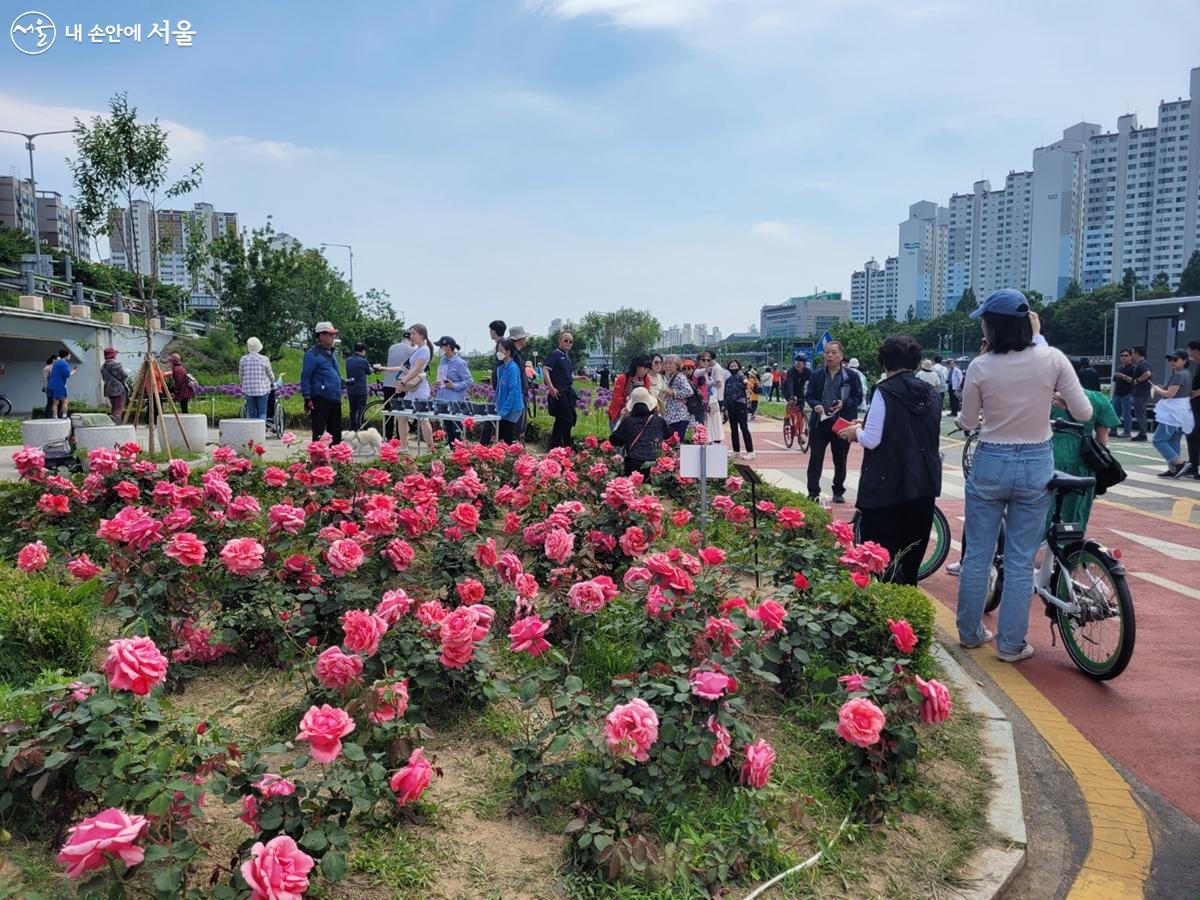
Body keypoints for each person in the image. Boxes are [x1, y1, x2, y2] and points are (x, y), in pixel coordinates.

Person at [955, 289, 1091, 664]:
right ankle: (1011, 645)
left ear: (993, 326)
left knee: (978, 555)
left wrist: (967, 419)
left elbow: (967, 421)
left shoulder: (981, 366)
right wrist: (1053, 398)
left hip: (991, 460)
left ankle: (969, 633)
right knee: (1019, 559)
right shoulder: (1053, 359)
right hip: (1036, 463)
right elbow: (1082, 413)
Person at [837, 335, 940, 585]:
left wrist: (855, 432)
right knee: (910, 562)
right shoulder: (932, 392)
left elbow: (872, 439)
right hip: (924, 484)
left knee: (883, 563)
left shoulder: (885, 391)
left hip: (887, 487)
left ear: (884, 362)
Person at [1046, 360, 1120, 532]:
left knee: (1042, 511)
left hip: (1048, 457)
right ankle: (1071, 552)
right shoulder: (1097, 399)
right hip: (1084, 459)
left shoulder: (1046, 399)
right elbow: (1102, 437)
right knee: (1076, 511)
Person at [804, 341, 862, 503]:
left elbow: (858, 397)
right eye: (826, 352)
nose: (829, 355)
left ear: (841, 356)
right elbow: (809, 396)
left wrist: (845, 404)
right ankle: (813, 491)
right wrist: (816, 405)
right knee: (816, 458)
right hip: (820, 423)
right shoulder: (816, 375)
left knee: (840, 459)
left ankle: (838, 490)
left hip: (842, 424)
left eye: (833, 352)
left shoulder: (851, 376)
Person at [1151, 350, 1195, 478]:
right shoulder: (1187, 374)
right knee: (1173, 441)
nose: (1172, 362)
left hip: (1172, 413)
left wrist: (1158, 390)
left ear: (1184, 360)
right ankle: (1174, 469)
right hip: (1182, 411)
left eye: (1175, 359)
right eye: (1170, 359)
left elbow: (1170, 394)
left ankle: (1180, 464)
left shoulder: (1179, 375)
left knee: (1158, 440)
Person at [301, 321, 346, 444]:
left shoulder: (332, 352)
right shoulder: (312, 354)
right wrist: (307, 397)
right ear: (321, 336)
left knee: (336, 433)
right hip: (320, 398)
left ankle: (335, 460)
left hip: (335, 398)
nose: (333, 337)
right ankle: (318, 459)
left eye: (334, 335)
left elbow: (335, 373)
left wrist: (343, 382)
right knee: (319, 433)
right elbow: (305, 377)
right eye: (330, 335)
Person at [611, 386, 666, 477]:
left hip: (632, 466)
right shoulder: (659, 421)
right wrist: (657, 414)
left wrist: (621, 419)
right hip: (654, 467)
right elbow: (668, 434)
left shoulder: (628, 422)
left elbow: (614, 440)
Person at [396, 324, 434, 449]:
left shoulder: (424, 350)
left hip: (420, 389)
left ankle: (430, 448)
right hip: (412, 389)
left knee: (423, 419)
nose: (411, 336)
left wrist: (402, 382)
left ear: (422, 335)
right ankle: (403, 446)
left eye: (414, 334)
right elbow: (406, 369)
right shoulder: (418, 350)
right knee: (401, 415)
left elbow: (416, 370)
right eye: (411, 333)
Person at [434, 336, 473, 442]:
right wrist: (439, 383)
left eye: (441, 346)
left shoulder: (460, 363)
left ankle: (459, 454)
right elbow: (442, 377)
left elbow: (469, 381)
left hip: (456, 403)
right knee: (448, 433)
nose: (439, 349)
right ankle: (452, 453)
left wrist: (454, 386)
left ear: (448, 347)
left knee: (456, 433)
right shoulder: (443, 360)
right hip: (444, 401)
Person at [544, 331, 577, 449]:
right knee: (567, 420)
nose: (568, 343)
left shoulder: (567, 357)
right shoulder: (556, 354)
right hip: (560, 392)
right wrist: (551, 387)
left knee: (561, 420)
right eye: (566, 340)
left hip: (567, 391)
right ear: (560, 341)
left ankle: (555, 445)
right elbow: (546, 369)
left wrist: (579, 377)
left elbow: (567, 375)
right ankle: (566, 445)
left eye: (570, 341)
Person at [479, 321, 505, 445]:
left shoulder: (501, 345)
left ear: (494, 331)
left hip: (500, 390)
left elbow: (502, 365)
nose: (489, 333)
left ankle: (483, 445)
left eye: (490, 330)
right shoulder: (499, 344)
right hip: (498, 387)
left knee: (490, 416)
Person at [494, 338, 525, 443]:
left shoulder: (512, 368)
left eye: (501, 350)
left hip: (511, 409)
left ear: (508, 352)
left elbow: (514, 392)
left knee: (507, 438)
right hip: (502, 408)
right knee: (501, 438)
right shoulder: (502, 368)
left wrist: (504, 411)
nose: (498, 353)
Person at [723, 358, 754, 459]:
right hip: (730, 405)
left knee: (744, 427)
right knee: (733, 428)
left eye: (735, 366)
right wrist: (725, 406)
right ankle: (736, 451)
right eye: (731, 366)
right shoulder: (727, 377)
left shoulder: (740, 375)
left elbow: (745, 380)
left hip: (740, 404)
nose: (733, 368)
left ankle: (750, 451)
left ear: (739, 367)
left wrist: (745, 382)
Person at [608, 355, 652, 425]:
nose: (645, 372)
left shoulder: (646, 379)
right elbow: (616, 398)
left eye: (647, 370)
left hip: (637, 415)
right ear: (637, 366)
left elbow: (647, 395)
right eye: (644, 369)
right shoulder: (623, 378)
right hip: (619, 413)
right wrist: (627, 400)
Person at [239, 337, 276, 421]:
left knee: (251, 413)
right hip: (262, 389)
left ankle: (252, 432)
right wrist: (273, 382)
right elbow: (270, 374)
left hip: (248, 389)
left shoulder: (243, 359)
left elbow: (241, 374)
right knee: (262, 412)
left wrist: (241, 383)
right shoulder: (264, 359)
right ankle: (261, 431)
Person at [660, 355, 695, 442]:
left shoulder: (679, 376)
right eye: (666, 363)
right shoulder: (670, 377)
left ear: (677, 365)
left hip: (679, 416)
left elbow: (689, 391)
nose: (667, 366)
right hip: (672, 416)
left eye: (670, 363)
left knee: (676, 442)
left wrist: (673, 393)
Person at [508, 326, 532, 437]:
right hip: (517, 396)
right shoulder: (514, 356)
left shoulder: (516, 354)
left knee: (518, 428)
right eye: (524, 338)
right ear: (520, 340)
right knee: (518, 428)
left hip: (519, 395)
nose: (525, 340)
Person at [697, 351, 725, 444]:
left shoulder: (713, 370)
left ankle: (711, 441)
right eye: (703, 360)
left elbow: (717, 384)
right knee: (707, 422)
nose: (706, 362)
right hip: (703, 401)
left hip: (712, 399)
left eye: (708, 360)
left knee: (712, 422)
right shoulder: (700, 371)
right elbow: (697, 374)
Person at [783, 355, 810, 449]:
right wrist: (791, 396)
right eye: (797, 362)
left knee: (800, 412)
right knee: (791, 403)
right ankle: (787, 417)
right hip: (787, 389)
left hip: (799, 390)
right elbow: (789, 383)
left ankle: (800, 433)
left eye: (800, 363)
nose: (798, 365)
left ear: (804, 364)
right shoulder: (791, 371)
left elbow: (813, 383)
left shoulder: (807, 372)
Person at [344, 342, 372, 431]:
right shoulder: (364, 361)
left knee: (352, 410)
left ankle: (352, 428)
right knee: (361, 410)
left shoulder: (348, 360)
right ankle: (359, 428)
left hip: (350, 389)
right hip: (361, 390)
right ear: (363, 351)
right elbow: (369, 372)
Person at [1127, 346, 1153, 441]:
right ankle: (1142, 432)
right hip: (1142, 392)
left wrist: (1138, 380)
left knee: (1140, 413)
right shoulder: (1144, 363)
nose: (1131, 355)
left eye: (1132, 353)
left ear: (1137, 353)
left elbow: (1147, 373)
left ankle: (1143, 433)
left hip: (1141, 392)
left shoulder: (1142, 364)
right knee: (1140, 412)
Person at [1110, 349, 1136, 438]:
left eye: (1126, 355)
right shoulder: (1119, 368)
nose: (1124, 357)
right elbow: (1115, 381)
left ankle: (1127, 431)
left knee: (1126, 414)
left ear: (1130, 357)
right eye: (1122, 356)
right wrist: (1113, 394)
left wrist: (1123, 376)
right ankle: (1113, 430)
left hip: (1127, 394)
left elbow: (1134, 381)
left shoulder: (1133, 368)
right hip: (1117, 393)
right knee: (1115, 413)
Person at [101, 347, 129, 424]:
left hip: (108, 390)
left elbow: (104, 378)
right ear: (113, 355)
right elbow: (124, 375)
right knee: (118, 409)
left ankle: (112, 425)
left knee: (114, 408)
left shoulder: (103, 366)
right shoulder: (115, 365)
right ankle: (117, 426)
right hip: (118, 389)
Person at [46, 349, 74, 418]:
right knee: (65, 401)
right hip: (60, 385)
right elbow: (67, 374)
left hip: (52, 385)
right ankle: (64, 415)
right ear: (66, 356)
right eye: (69, 355)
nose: (70, 357)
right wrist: (73, 372)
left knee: (55, 402)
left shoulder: (56, 363)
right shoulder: (64, 363)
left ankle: (54, 416)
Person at [1187, 340, 1200, 480]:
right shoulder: (1198, 365)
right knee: (1193, 436)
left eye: (1190, 351)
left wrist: (1197, 393)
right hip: (1195, 406)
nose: (1190, 354)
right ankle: (1193, 466)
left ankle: (1194, 465)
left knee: (1193, 435)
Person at [41, 354, 56, 419]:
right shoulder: (47, 368)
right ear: (53, 359)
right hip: (50, 387)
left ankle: (54, 415)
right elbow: (45, 379)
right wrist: (46, 387)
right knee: (50, 402)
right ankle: (48, 417)